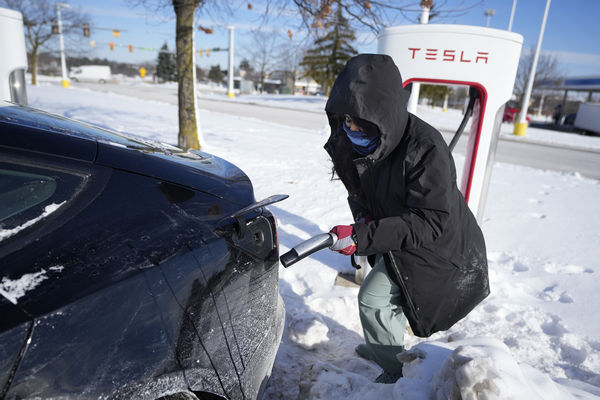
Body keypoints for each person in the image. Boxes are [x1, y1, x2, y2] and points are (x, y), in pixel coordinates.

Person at [324, 54, 489, 384]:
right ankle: (386, 345)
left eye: (358, 120)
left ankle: (399, 374)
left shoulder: (424, 148)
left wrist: (362, 236)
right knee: (387, 301)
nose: (349, 128)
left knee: (374, 299)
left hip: (438, 248)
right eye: (345, 119)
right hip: (398, 234)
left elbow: (431, 221)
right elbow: (360, 191)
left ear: (380, 114)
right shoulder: (360, 142)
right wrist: (365, 221)